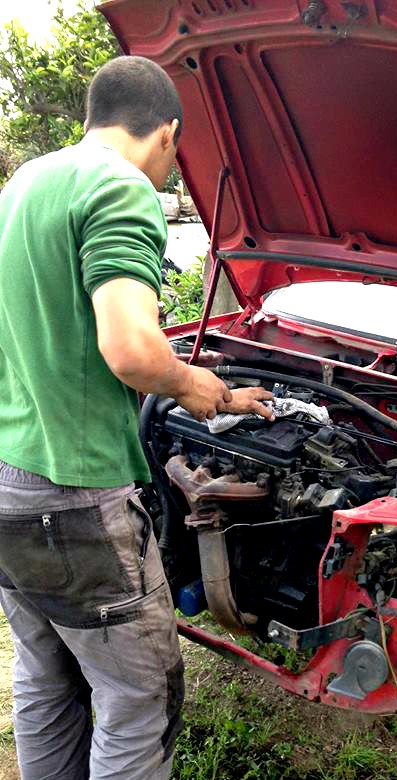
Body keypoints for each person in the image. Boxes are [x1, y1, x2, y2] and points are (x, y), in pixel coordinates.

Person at [0, 56, 273, 779]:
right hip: (74, 496)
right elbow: (131, 350)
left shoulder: (26, 181)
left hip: (6, 485)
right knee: (138, 695)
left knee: (46, 675)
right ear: (168, 135)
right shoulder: (122, 187)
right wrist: (196, 387)